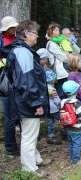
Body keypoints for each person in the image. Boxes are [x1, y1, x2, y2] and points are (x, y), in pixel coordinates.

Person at [1, 20, 50, 174]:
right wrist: (36, 103)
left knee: (30, 132)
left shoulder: (20, 50)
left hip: (23, 99)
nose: (37, 37)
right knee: (29, 134)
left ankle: (36, 159)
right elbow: (26, 81)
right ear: (27, 34)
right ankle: (29, 169)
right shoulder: (22, 52)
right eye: (35, 33)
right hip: (27, 101)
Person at [0, 16, 20, 156]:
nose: (14, 29)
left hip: (17, 79)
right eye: (12, 27)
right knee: (9, 116)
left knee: (17, 113)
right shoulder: (1, 40)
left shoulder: (17, 38)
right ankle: (10, 147)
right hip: (4, 81)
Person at [61, 80, 81, 165]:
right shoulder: (77, 103)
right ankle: (76, 160)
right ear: (76, 91)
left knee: (71, 142)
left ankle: (72, 157)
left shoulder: (62, 102)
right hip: (77, 128)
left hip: (67, 127)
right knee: (77, 144)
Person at [46, 22, 68, 99]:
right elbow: (63, 58)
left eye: (58, 30)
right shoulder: (51, 44)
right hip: (58, 72)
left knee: (61, 93)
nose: (58, 32)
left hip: (61, 71)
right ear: (50, 31)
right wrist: (66, 55)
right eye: (55, 30)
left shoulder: (56, 43)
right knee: (60, 94)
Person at [45, 70, 62, 145]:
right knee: (62, 119)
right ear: (51, 80)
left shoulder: (44, 88)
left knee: (51, 122)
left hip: (47, 109)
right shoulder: (52, 89)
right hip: (54, 109)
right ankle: (65, 132)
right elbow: (56, 100)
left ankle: (50, 135)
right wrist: (61, 105)